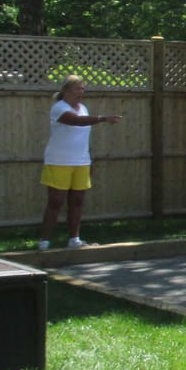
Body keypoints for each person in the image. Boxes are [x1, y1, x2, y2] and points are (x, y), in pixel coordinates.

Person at [38, 74, 121, 250]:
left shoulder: (83, 108)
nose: (81, 92)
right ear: (66, 91)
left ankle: (74, 239)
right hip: (59, 161)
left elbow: (84, 136)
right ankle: (44, 241)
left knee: (77, 201)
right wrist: (102, 118)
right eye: (77, 88)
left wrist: (89, 159)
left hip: (81, 161)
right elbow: (75, 122)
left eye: (82, 89)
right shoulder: (58, 108)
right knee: (56, 202)